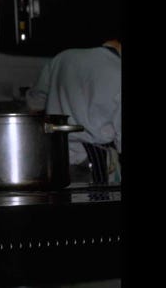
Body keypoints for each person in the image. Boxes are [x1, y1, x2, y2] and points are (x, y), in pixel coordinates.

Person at [25, 37, 122, 185]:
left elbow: (34, 104)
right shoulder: (118, 71)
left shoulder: (63, 57)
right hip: (95, 166)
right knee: (95, 207)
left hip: (54, 160)